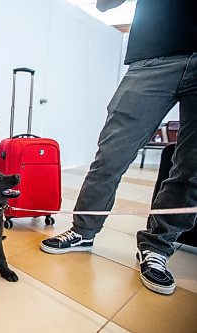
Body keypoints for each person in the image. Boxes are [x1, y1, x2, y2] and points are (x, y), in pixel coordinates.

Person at [40, 0, 196, 295]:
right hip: (154, 55)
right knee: (109, 156)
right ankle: (84, 231)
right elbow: (104, 4)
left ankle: (158, 247)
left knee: (191, 169)